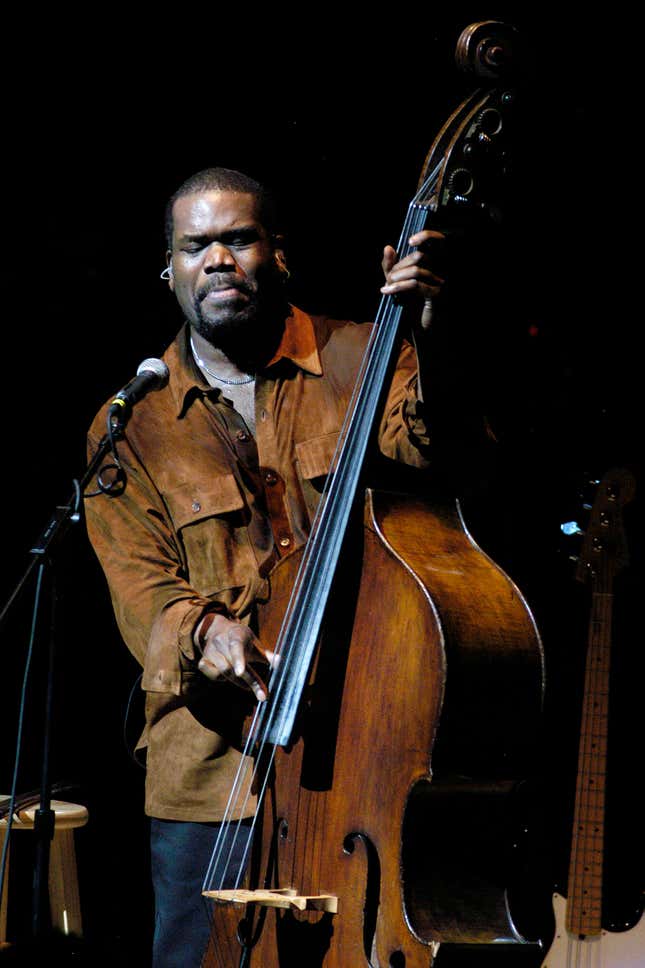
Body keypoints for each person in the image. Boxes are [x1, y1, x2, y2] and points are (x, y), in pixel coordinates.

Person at [84, 166, 444, 967]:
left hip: (361, 753)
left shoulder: (362, 357)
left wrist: (431, 328)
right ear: (168, 271)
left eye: (238, 239)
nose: (218, 259)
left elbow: (437, 448)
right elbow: (139, 589)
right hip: (210, 773)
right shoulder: (130, 425)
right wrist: (203, 631)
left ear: (276, 255)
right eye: (196, 245)